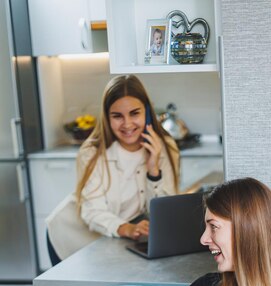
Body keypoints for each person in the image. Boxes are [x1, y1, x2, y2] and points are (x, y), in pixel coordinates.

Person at [46, 74, 179, 265]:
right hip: (72, 236)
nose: (127, 124)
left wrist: (153, 169)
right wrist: (126, 228)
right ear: (107, 117)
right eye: (117, 116)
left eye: (135, 113)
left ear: (147, 112)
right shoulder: (91, 153)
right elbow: (93, 211)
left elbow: (164, 213)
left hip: (115, 239)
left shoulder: (164, 148)